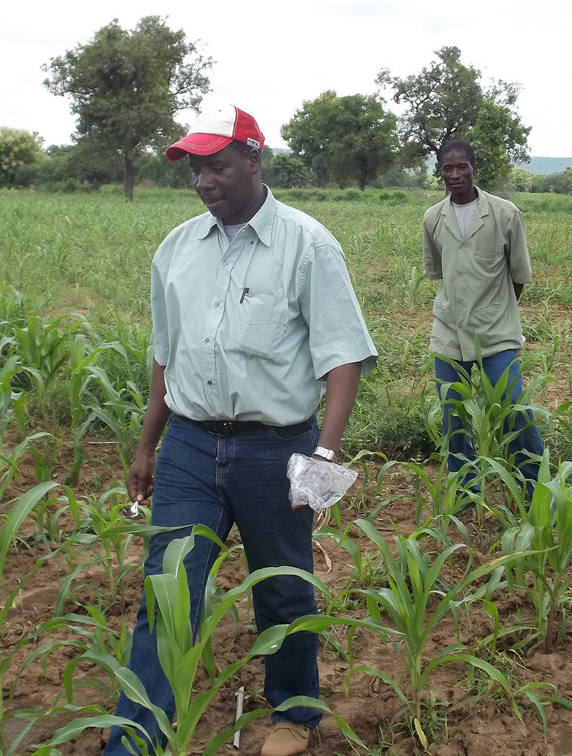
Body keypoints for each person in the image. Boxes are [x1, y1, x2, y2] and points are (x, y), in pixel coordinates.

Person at [105, 105, 377, 756]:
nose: (204, 181)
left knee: (284, 585)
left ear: (254, 160)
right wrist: (147, 445)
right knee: (168, 590)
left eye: (218, 166)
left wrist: (324, 460)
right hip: (191, 446)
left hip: (276, 448)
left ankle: (294, 714)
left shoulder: (308, 245)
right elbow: (165, 357)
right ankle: (137, 735)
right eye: (196, 169)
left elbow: (343, 359)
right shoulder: (175, 250)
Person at [422, 139, 544, 496]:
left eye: (462, 167)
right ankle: (466, 490)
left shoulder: (505, 215)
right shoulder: (433, 218)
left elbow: (518, 276)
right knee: (454, 416)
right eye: (448, 168)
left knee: (512, 409)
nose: (455, 175)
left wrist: (497, 312)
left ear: (476, 169)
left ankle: (534, 488)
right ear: (440, 172)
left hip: (496, 334)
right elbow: (441, 274)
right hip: (448, 332)